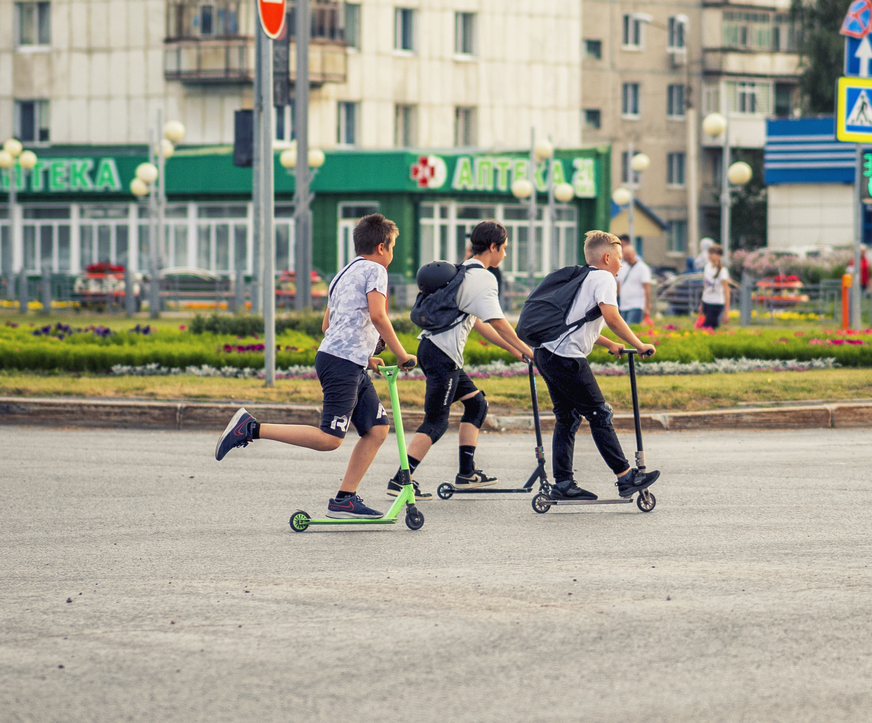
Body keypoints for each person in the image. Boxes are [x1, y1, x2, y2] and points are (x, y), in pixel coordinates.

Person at [212, 213, 412, 519]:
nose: (392, 254)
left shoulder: (343, 273)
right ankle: (251, 428)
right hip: (342, 364)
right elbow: (378, 316)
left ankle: (345, 499)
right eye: (393, 247)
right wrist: (401, 353)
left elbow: (327, 324)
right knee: (330, 439)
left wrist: (365, 355)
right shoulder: (376, 270)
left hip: (345, 360)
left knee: (377, 429)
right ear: (383, 247)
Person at [397, 219, 532, 496]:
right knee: (436, 421)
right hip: (441, 356)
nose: (505, 254)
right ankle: (401, 479)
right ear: (493, 247)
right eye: (504, 248)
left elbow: (478, 322)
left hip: (438, 352)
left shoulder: (463, 270)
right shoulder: (483, 277)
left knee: (476, 405)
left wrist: (513, 349)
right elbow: (498, 321)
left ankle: (467, 474)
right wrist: (529, 350)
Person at [534, 230, 662, 502]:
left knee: (567, 418)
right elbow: (612, 317)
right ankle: (626, 477)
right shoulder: (604, 277)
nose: (620, 263)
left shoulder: (582, 275)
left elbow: (577, 322)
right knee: (599, 414)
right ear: (606, 257)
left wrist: (608, 344)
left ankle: (564, 483)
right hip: (566, 358)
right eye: (617, 258)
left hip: (546, 354)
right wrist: (639, 345)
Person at [617, 235, 651, 326]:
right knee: (622, 329)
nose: (628, 261)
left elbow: (647, 289)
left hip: (636, 304)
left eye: (630, 258)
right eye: (626, 258)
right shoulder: (623, 267)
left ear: (635, 254)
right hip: (624, 305)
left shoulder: (642, 268)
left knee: (630, 329)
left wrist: (647, 307)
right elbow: (619, 285)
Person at [699, 243, 734, 330]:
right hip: (707, 301)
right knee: (709, 329)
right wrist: (701, 304)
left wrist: (726, 312)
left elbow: (726, 291)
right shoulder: (707, 267)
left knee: (708, 328)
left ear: (719, 256)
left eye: (712, 253)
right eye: (709, 253)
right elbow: (706, 287)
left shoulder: (722, 271)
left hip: (716, 303)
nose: (709, 255)